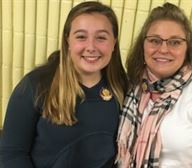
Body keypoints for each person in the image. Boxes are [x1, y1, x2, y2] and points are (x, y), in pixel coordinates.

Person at [0, 1, 128, 168]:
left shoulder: (121, 86)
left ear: (114, 43)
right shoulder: (35, 86)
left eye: (101, 38)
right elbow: (11, 154)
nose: (91, 47)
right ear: (67, 40)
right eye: (81, 37)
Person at [117, 2, 192, 168]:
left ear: (187, 49)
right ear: (142, 46)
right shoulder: (132, 86)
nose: (164, 49)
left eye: (174, 42)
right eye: (155, 40)